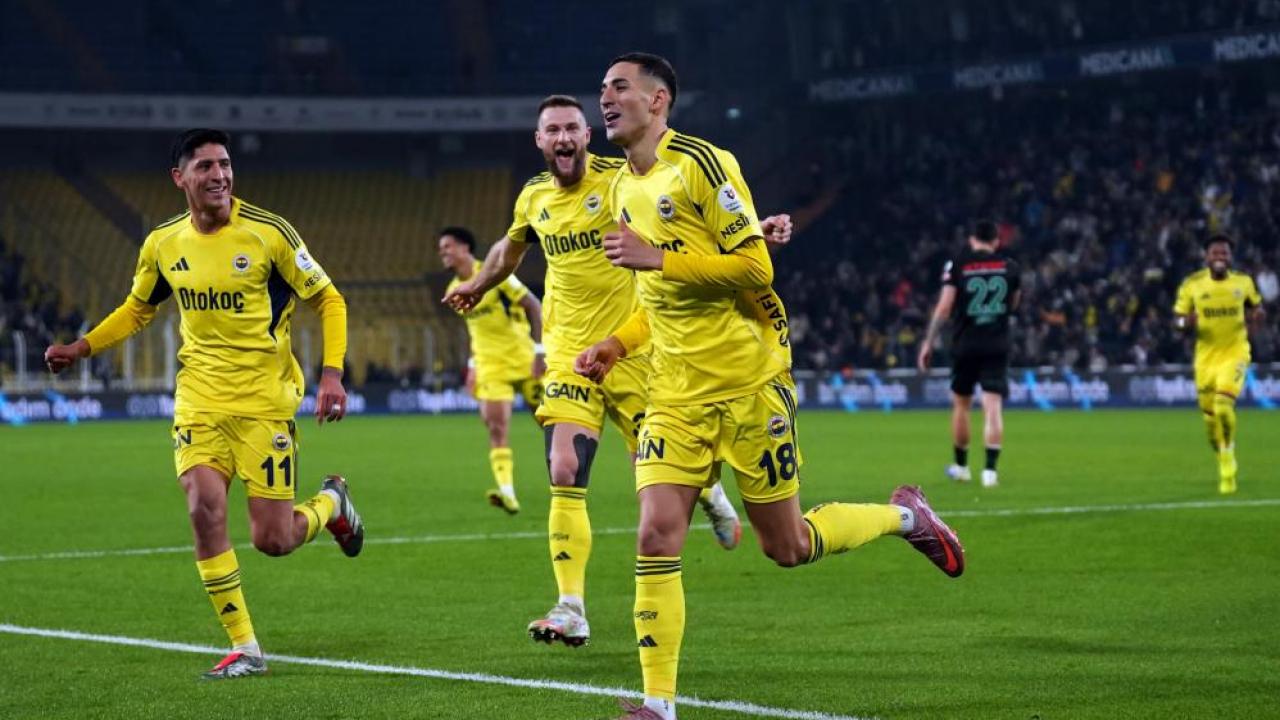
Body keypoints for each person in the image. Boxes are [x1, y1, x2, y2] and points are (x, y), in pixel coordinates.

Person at [575, 53, 965, 720]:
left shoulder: (703, 163)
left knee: (788, 547)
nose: (605, 99)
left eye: (619, 87)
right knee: (656, 535)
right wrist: (617, 342)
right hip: (673, 394)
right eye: (602, 89)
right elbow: (657, 298)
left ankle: (906, 517)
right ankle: (658, 706)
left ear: (658, 99)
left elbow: (755, 270)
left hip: (749, 385)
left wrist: (661, 256)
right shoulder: (620, 189)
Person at [43, 128, 364, 680]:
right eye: (206, 167)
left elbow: (328, 299)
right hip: (199, 401)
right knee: (203, 508)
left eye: (225, 164)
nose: (220, 175)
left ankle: (332, 504)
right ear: (180, 178)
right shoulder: (163, 243)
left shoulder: (269, 232)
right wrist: (82, 347)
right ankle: (246, 648)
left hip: (264, 405)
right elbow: (138, 308)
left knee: (273, 540)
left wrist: (332, 373)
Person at [442, 94, 751, 648]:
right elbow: (509, 250)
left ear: (587, 135)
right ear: (539, 141)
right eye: (552, 131)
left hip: (635, 351)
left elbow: (679, 212)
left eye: (571, 128)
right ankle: (570, 607)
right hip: (568, 356)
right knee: (564, 468)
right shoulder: (533, 196)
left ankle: (710, 494)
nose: (563, 138)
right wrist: (478, 284)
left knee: (660, 477)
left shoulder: (619, 180)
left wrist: (752, 230)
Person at [440, 226, 546, 514]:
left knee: (550, 425)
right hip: (491, 367)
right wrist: (472, 366)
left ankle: (566, 481)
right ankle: (507, 493)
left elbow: (534, 306)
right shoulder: (453, 290)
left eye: (447, 247)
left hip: (525, 360)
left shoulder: (495, 274)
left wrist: (540, 352)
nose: (443, 253)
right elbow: (475, 331)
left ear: (465, 247)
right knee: (496, 428)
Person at [917, 219, 1022, 488]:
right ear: (996, 241)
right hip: (997, 344)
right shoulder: (1010, 267)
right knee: (992, 406)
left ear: (972, 240)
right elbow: (1013, 304)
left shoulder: (958, 265)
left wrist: (928, 342)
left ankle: (962, 468)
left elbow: (944, 308)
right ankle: (990, 473)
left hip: (966, 343)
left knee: (961, 405)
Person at [1173, 234, 1266, 494]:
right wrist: (1186, 323)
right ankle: (1222, 452)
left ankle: (1227, 463)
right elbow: (1177, 321)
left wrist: (1257, 318)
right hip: (1206, 359)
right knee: (1210, 423)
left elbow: (1257, 307)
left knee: (1223, 406)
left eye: (1224, 253)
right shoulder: (1192, 284)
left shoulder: (1243, 283)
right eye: (1215, 253)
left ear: (1230, 257)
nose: (1220, 258)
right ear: (1206, 257)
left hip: (1235, 353)